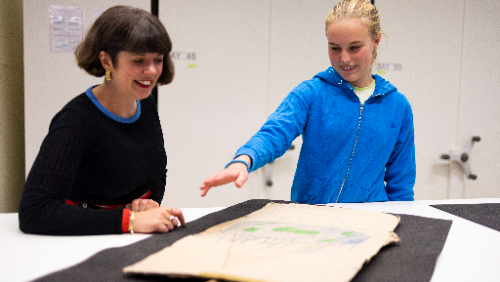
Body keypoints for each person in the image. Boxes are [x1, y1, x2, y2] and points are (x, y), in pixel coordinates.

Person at [200, 0, 415, 204]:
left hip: (370, 223)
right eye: (335, 48)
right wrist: (244, 159)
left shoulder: (397, 106)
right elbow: (275, 131)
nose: (344, 59)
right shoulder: (311, 93)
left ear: (375, 41)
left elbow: (401, 183)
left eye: (354, 47)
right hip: (312, 220)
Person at [19, 5, 185, 235]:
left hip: (124, 237)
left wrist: (148, 203)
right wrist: (130, 221)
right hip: (77, 239)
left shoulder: (144, 102)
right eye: (138, 61)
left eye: (158, 60)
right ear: (107, 61)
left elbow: (157, 171)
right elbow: (35, 212)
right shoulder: (77, 121)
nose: (151, 71)